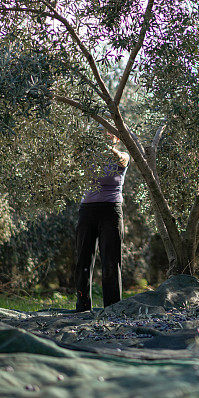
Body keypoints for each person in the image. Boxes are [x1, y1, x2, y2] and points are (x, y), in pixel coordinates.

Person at [74, 128, 130, 311]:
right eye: (101, 133)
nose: (105, 136)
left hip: (111, 211)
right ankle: (82, 308)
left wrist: (105, 147)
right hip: (87, 211)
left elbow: (121, 159)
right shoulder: (88, 157)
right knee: (83, 260)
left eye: (109, 133)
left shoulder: (122, 156)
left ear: (116, 137)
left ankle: (113, 309)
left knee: (111, 261)